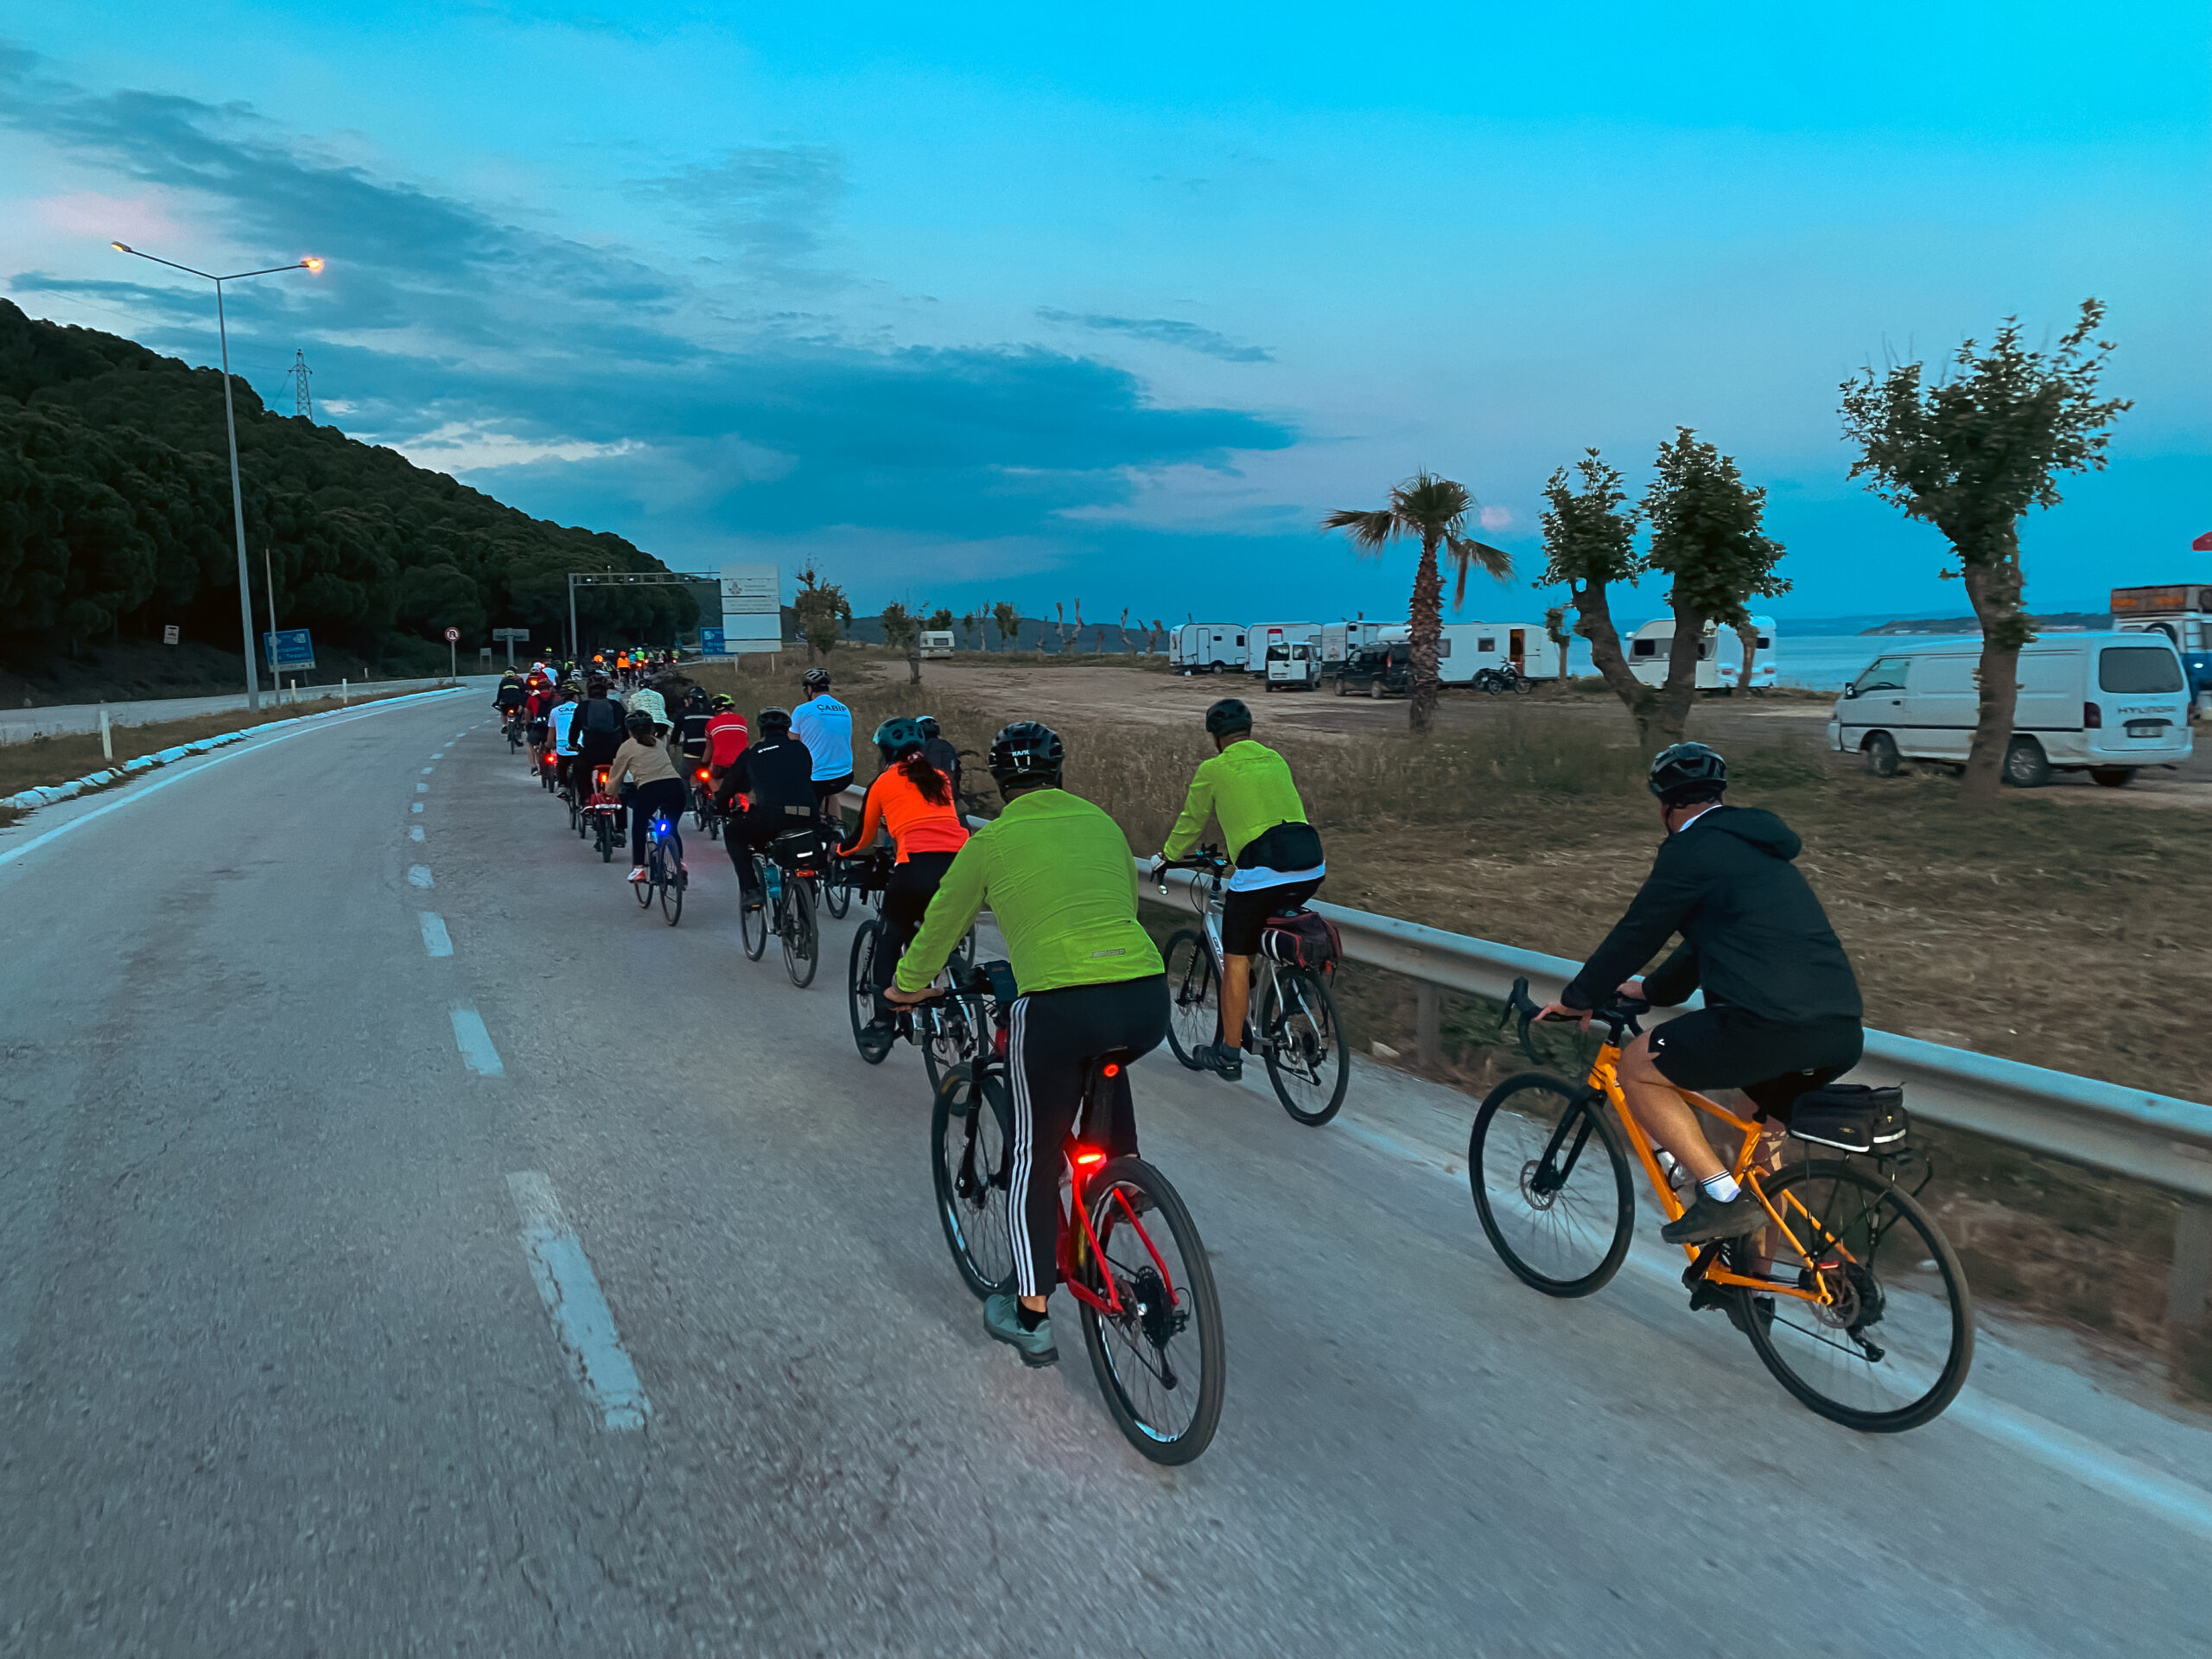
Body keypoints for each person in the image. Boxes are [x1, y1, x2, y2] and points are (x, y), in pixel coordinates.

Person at [887, 721, 1167, 1369]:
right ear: (1058, 774)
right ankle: (1122, 1173)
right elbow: (1119, 905)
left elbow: (941, 923)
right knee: (1106, 1053)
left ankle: (1031, 1313)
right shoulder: (1103, 824)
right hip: (1145, 996)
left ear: (1001, 783)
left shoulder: (992, 840)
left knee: (1032, 1161)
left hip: (1058, 1007)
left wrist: (905, 987)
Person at [1539, 742, 1865, 1249]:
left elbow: (1638, 932)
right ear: (1718, 795)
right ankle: (1754, 1282)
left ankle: (1721, 1197)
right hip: (1839, 1031)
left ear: (1665, 804)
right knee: (1760, 1149)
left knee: (1637, 1067)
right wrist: (1651, 990)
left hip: (1767, 1025)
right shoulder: (1759, 848)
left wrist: (1580, 996)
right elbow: (1705, 943)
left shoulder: (1690, 850)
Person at [1153, 698, 1325, 1081]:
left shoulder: (1214, 769)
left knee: (1236, 958)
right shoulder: (1275, 758)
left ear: (1216, 738)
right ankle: (1294, 992)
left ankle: (1229, 1054)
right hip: (1310, 865)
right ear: (1249, 730)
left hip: (1263, 870)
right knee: (1269, 926)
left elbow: (1192, 820)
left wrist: (1167, 856)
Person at [842, 717, 969, 1052]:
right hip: (959, 867)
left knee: (889, 937)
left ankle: (883, 1021)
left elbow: (863, 836)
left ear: (886, 752)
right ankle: (957, 1002)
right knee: (941, 933)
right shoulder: (940, 778)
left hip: (915, 868)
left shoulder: (883, 782)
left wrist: (839, 851)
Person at [718, 708, 817, 908]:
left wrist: (720, 807)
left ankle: (751, 890)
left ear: (762, 730)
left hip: (772, 817)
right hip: (808, 816)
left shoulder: (752, 753)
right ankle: (808, 885)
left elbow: (730, 786)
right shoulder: (802, 749)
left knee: (733, 833)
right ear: (787, 728)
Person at [606, 709, 686, 883]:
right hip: (676, 787)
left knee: (639, 826)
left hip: (650, 789)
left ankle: (638, 869)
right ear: (652, 729)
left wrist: (610, 794)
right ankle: (679, 864)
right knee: (672, 826)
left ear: (629, 730)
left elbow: (616, 776)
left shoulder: (627, 746)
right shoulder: (658, 743)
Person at [790, 668, 855, 826]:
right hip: (845, 775)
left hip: (816, 778)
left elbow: (791, 744)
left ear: (809, 689)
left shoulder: (802, 710)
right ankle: (839, 831)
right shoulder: (844, 709)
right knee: (830, 794)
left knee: (802, 805)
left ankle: (812, 831)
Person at [570, 676, 628, 804]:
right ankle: (620, 798)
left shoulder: (583, 706)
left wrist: (573, 744)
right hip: (614, 753)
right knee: (621, 776)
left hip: (591, 752)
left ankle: (587, 798)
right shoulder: (616, 706)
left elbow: (574, 729)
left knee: (579, 770)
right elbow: (625, 730)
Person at [704, 695, 750, 792]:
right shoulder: (742, 720)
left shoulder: (711, 723)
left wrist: (703, 763)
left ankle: (717, 797)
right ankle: (745, 800)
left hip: (720, 762)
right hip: (743, 760)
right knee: (745, 789)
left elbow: (709, 749)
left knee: (710, 778)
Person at [917, 715, 964, 808]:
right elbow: (956, 772)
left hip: (931, 800)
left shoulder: (926, 747)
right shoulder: (946, 745)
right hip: (950, 796)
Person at [547, 683, 582, 798]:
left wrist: (549, 744)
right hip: (579, 746)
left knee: (561, 764)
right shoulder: (582, 709)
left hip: (563, 747)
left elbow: (551, 733)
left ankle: (562, 786)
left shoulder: (555, 711)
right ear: (575, 696)